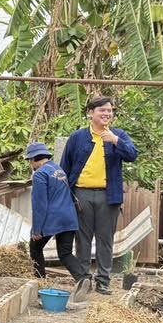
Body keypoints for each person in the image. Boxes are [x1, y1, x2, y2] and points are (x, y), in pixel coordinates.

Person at [60, 95, 138, 295]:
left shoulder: (118, 135)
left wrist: (115, 141)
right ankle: (84, 279)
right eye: (102, 110)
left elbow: (132, 155)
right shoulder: (77, 137)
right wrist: (66, 196)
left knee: (105, 239)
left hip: (108, 196)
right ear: (90, 113)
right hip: (81, 194)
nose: (107, 113)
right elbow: (65, 167)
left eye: (109, 110)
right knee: (82, 239)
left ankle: (103, 280)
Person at [26, 142, 87, 291]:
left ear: (34, 159)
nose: (30, 164)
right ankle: (83, 279)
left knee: (35, 248)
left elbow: (40, 205)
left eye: (30, 160)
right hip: (69, 217)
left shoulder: (40, 174)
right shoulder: (58, 169)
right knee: (65, 253)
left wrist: (37, 230)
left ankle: (40, 283)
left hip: (53, 218)